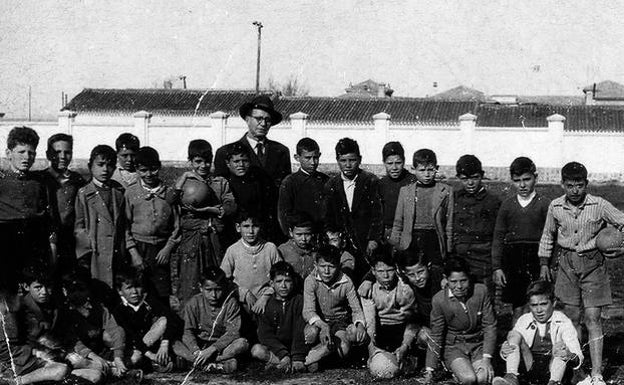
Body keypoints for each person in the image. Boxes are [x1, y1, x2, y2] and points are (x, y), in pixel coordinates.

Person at [538, 161, 624, 385]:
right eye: (569, 185)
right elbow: (548, 235)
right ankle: (578, 369)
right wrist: (544, 262)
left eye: (579, 185)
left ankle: (596, 374)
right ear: (562, 185)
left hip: (594, 265)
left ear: (586, 183)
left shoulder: (599, 204)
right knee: (571, 318)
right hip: (566, 265)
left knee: (593, 318)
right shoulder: (556, 206)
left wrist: (621, 248)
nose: (574, 190)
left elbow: (623, 222)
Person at [171, 139, 236, 304]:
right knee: (190, 284)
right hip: (191, 241)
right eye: (198, 161)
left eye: (207, 161)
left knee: (216, 282)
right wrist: (184, 177)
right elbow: (170, 200)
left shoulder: (220, 183)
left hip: (214, 239)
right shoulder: (185, 182)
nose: (203, 165)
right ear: (190, 161)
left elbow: (230, 205)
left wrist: (211, 210)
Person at [19, 265, 103, 384]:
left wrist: (89, 354)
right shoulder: (19, 311)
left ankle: (114, 369)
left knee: (94, 369)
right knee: (93, 375)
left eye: (48, 286)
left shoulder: (56, 307)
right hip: (34, 362)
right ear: (26, 286)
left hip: (58, 355)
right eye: (38, 287)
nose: (44, 292)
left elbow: (68, 336)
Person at [492, 157, 550, 321]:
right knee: (518, 304)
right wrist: (497, 267)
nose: (522, 185)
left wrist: (545, 264)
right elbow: (498, 237)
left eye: (527, 179)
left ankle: (538, 343)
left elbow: (550, 235)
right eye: (517, 181)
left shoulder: (545, 204)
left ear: (535, 178)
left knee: (537, 301)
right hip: (513, 258)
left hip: (536, 257)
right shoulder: (507, 205)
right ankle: (516, 340)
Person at [493, 280, 583, 385]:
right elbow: (514, 346)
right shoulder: (524, 319)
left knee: (560, 345)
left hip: (554, 368)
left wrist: (569, 354)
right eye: (534, 305)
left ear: (553, 303)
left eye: (543, 304)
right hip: (529, 365)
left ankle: (554, 382)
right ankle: (511, 377)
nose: (539, 310)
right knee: (513, 335)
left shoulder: (563, 321)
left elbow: (578, 356)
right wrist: (505, 351)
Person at [424, 258, 497, 385]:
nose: (459, 286)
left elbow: (490, 326)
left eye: (463, 281)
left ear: (469, 278)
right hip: (454, 347)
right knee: (469, 379)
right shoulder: (439, 300)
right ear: (445, 279)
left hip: (478, 345)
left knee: (482, 378)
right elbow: (436, 334)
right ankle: (455, 374)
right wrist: (430, 369)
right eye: (453, 282)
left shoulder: (480, 291)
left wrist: (487, 359)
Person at [0, 126, 57, 289]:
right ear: (8, 153)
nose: (27, 157)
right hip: (6, 241)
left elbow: (48, 217)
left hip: (34, 242)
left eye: (31, 153)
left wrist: (52, 247)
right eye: (21, 152)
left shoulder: (39, 181)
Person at [125, 146, 179, 305]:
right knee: (139, 290)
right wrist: (134, 253)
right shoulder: (131, 193)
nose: (148, 174)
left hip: (160, 251)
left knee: (161, 294)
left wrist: (168, 248)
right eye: (143, 170)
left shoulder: (168, 193)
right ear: (137, 170)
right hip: (139, 248)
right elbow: (125, 227)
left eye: (153, 169)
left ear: (160, 167)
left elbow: (177, 226)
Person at [324, 137, 383, 282]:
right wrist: (333, 237)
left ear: (360, 159)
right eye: (343, 161)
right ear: (337, 160)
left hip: (366, 241)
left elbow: (378, 213)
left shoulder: (370, 181)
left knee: (366, 276)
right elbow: (328, 216)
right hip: (343, 242)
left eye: (352, 160)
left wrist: (374, 239)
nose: (348, 165)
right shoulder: (331, 185)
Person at [302, 245, 367, 371]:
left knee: (344, 348)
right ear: (316, 265)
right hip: (319, 321)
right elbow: (308, 311)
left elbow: (356, 309)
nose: (326, 271)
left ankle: (323, 356)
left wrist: (360, 325)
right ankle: (316, 352)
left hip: (339, 321)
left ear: (338, 266)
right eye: (322, 266)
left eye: (331, 267)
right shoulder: (311, 280)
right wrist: (323, 326)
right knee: (311, 333)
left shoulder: (346, 282)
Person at [176, 267, 249, 373]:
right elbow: (188, 331)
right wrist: (196, 351)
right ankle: (210, 363)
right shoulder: (194, 302)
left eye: (218, 290)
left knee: (242, 343)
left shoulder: (231, 303)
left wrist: (212, 349)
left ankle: (198, 362)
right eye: (209, 290)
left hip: (221, 346)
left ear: (223, 288)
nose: (213, 295)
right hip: (199, 344)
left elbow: (233, 333)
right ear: (201, 288)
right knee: (175, 343)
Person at [390, 148, 453, 271]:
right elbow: (398, 222)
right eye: (422, 170)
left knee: (435, 273)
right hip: (412, 239)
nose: (427, 174)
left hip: (434, 239)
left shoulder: (445, 190)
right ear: (413, 170)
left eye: (430, 170)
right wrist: (395, 246)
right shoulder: (405, 191)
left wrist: (448, 250)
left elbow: (449, 224)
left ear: (436, 168)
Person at [74, 145, 128, 288]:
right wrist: (84, 255)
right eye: (100, 165)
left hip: (116, 251)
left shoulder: (118, 191)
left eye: (110, 165)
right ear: (90, 166)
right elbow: (80, 227)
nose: (105, 169)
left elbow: (123, 223)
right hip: (95, 252)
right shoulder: (84, 193)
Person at [361, 247, 417, 377]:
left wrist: (405, 345)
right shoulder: (369, 289)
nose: (385, 275)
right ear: (373, 271)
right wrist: (371, 348)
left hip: (401, 329)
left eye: (390, 270)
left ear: (396, 269)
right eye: (380, 271)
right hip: (380, 330)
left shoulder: (405, 289)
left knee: (404, 364)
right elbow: (370, 320)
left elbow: (412, 321)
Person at [214, 95, 291, 187]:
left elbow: (286, 188)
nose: (263, 124)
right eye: (258, 119)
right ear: (247, 119)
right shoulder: (224, 152)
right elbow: (221, 190)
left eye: (268, 120)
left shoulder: (281, 151)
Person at [58, 280, 129, 379]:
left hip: (98, 348)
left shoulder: (98, 308)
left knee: (119, 340)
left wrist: (118, 357)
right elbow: (73, 341)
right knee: (75, 360)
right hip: (79, 351)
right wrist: (93, 356)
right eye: (73, 290)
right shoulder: (65, 313)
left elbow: (116, 330)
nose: (77, 294)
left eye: (81, 290)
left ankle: (115, 365)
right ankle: (114, 371)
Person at [451, 154, 501, 292]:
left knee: (484, 296)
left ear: (482, 175)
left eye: (474, 177)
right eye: (465, 179)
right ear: (458, 178)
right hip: (460, 258)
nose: (470, 183)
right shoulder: (453, 199)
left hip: (483, 259)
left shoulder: (492, 201)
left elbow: (498, 235)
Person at [0, 287, 69, 385]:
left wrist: (36, 352)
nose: (22, 296)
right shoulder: (6, 316)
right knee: (60, 370)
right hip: (13, 369)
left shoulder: (19, 313)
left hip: (25, 361)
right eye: (18, 293)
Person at [111, 268, 176, 372]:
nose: (134, 292)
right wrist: (150, 355)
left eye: (137, 286)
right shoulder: (119, 310)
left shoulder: (149, 301)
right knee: (135, 358)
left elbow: (171, 318)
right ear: (120, 291)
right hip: (134, 346)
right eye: (129, 288)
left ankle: (151, 362)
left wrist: (164, 344)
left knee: (163, 320)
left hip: (150, 343)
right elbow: (132, 335)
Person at [220, 211, 282, 317]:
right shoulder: (233, 250)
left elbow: (281, 277)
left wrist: (266, 296)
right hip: (241, 302)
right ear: (238, 227)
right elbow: (223, 280)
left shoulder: (270, 248)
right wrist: (244, 294)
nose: (251, 231)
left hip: (267, 300)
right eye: (246, 226)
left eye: (255, 226)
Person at [251, 261, 308, 373]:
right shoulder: (266, 304)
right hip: (277, 349)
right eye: (279, 281)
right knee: (257, 350)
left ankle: (295, 361)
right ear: (272, 284)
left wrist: (297, 356)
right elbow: (265, 335)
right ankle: (283, 361)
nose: (283, 286)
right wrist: (283, 355)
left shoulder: (299, 301)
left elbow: (300, 330)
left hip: (297, 347)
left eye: (287, 281)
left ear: (293, 282)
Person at [42, 133, 86, 270]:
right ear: (48, 154)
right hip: (45, 238)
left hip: (70, 239)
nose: (62, 157)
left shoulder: (77, 180)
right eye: (57, 152)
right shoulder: (40, 179)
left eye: (67, 152)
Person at [222, 142, 279, 244]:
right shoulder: (224, 183)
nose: (241, 165)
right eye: (236, 161)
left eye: (245, 161)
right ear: (228, 163)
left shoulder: (258, 180)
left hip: (257, 231)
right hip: (233, 233)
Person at [278, 137, 329, 235]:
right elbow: (284, 215)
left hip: (322, 234)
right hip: (301, 236)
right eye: (307, 158)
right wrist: (291, 236)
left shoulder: (325, 180)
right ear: (297, 157)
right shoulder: (290, 182)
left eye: (315, 157)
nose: (313, 162)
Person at [379, 142, 416, 242]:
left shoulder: (413, 182)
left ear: (404, 162)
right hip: (387, 234)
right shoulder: (381, 184)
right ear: (384, 163)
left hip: (408, 233)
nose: (394, 168)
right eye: (390, 163)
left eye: (398, 163)